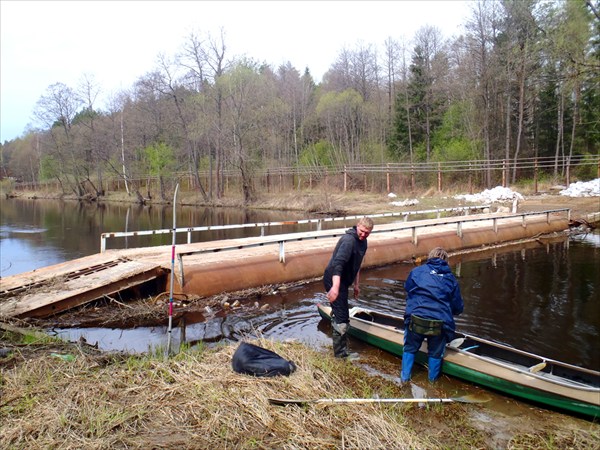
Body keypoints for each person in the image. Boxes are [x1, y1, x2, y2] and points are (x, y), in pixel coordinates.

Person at [400, 247, 464, 382]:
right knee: (435, 353)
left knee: (410, 348)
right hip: (439, 324)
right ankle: (432, 383)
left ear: (430, 257)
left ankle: (405, 379)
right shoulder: (451, 279)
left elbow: (408, 288)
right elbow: (458, 307)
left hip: (416, 318)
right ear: (446, 261)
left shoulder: (417, 271)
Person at [323, 216, 374, 358]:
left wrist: (356, 285)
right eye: (362, 231)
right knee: (343, 320)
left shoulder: (363, 243)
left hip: (343, 282)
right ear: (358, 225)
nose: (363, 235)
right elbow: (337, 265)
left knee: (341, 313)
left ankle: (336, 316)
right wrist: (335, 288)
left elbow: (356, 265)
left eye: (367, 233)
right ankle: (340, 356)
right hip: (334, 279)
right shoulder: (348, 241)